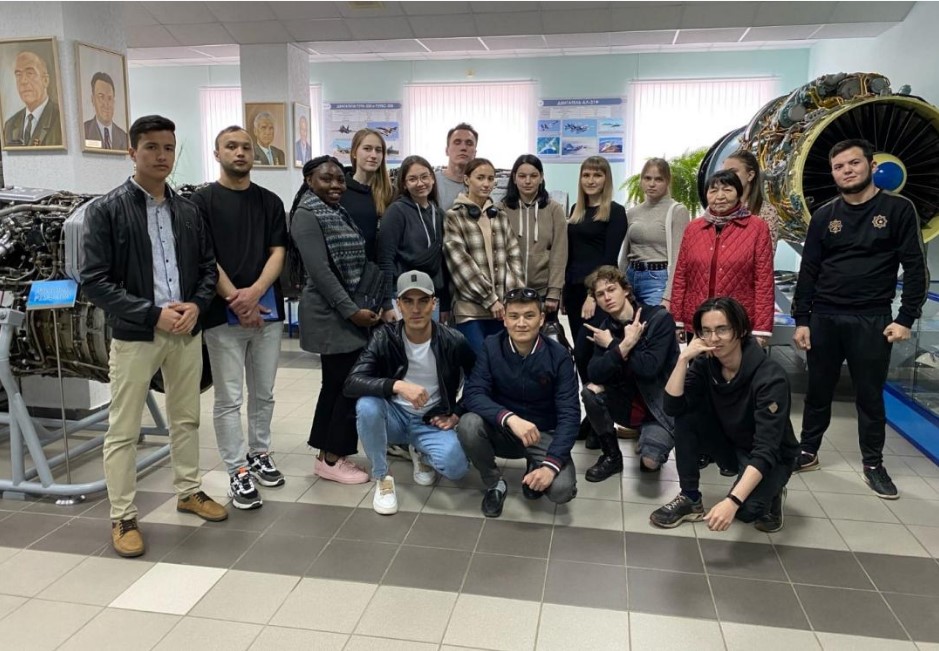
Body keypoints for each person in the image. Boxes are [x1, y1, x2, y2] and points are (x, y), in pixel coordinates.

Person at [81, 115, 226, 558]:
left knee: (186, 418)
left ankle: (189, 490)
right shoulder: (107, 210)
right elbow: (94, 281)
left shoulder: (188, 210)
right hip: (137, 335)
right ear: (132, 152)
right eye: (151, 147)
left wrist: (196, 305)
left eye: (168, 148)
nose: (162, 156)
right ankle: (123, 515)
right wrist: (151, 314)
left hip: (185, 330)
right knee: (123, 429)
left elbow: (207, 268)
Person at [792, 138, 927, 499]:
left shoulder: (898, 209)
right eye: (839, 166)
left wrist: (906, 318)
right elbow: (809, 271)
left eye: (853, 163)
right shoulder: (825, 215)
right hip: (824, 316)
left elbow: (915, 267)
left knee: (869, 396)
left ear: (871, 165)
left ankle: (873, 464)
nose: (847, 171)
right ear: (833, 173)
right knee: (817, 391)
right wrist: (802, 319)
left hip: (872, 318)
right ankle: (807, 451)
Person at [190, 125, 287, 511]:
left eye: (246, 147)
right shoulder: (200, 203)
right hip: (221, 314)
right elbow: (205, 257)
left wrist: (255, 293)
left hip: (268, 312)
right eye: (231, 146)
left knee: (263, 392)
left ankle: (259, 453)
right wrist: (235, 298)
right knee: (229, 397)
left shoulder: (270, 201)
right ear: (217, 154)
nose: (240, 152)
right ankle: (237, 469)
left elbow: (278, 252)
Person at [649, 297, 798, 533]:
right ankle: (690, 498)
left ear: (741, 330)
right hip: (730, 441)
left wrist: (732, 501)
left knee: (747, 512)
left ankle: (774, 491)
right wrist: (683, 359)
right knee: (686, 414)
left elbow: (766, 449)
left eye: (722, 329)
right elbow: (672, 407)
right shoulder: (705, 363)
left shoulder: (770, 378)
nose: (714, 338)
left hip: (770, 454)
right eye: (706, 331)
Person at [345, 270, 476, 514]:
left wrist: (457, 412)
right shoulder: (385, 336)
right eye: (408, 301)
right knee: (367, 405)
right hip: (394, 416)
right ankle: (382, 477)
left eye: (423, 301)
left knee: (457, 468)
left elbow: (479, 381)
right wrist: (397, 385)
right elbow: (352, 381)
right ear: (399, 304)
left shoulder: (453, 340)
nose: (416, 309)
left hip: (431, 420)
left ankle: (419, 450)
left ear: (434, 304)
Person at [290, 155, 380, 484]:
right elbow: (321, 272)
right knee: (345, 385)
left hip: (345, 309)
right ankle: (332, 457)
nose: (335, 185)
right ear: (309, 181)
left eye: (339, 179)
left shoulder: (336, 212)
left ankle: (327, 455)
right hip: (329, 313)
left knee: (336, 385)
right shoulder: (306, 214)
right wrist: (351, 312)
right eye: (326, 179)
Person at [459, 287, 579, 517]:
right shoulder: (491, 346)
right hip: (504, 429)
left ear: (541, 319)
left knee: (561, 490)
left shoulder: (559, 355)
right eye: (514, 316)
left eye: (529, 316)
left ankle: (536, 465)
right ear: (504, 319)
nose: (521, 323)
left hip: (542, 433)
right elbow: (473, 393)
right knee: (468, 424)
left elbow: (570, 414)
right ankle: (495, 483)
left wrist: (551, 465)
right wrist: (509, 418)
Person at [581, 266, 679, 482]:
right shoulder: (605, 328)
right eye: (600, 294)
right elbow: (594, 373)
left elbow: (649, 368)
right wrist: (622, 346)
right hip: (625, 404)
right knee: (589, 391)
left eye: (611, 289)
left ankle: (648, 438)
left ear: (625, 290)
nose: (607, 297)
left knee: (650, 463)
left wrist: (613, 345)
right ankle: (612, 456)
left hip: (657, 409)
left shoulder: (658, 319)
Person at [670, 169, 775, 345]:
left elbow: (764, 281)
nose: (720, 196)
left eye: (727, 190)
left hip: (736, 321)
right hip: (698, 321)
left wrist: (762, 330)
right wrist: (677, 320)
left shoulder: (757, 228)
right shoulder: (693, 229)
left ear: (738, 193)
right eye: (713, 190)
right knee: (698, 363)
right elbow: (681, 276)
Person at [443, 157, 524, 354]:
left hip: (501, 310)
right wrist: (490, 299)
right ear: (467, 179)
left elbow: (514, 259)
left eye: (490, 178)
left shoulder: (500, 216)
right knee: (478, 364)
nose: (486, 183)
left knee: (501, 365)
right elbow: (460, 264)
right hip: (470, 311)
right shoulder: (454, 216)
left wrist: (513, 299)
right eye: (480, 178)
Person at [563, 155, 628, 382]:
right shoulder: (576, 210)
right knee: (579, 353)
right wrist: (563, 291)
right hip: (573, 291)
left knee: (588, 349)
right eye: (586, 175)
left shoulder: (615, 211)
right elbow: (570, 254)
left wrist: (594, 294)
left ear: (606, 179)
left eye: (597, 175)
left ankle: (600, 396)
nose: (591, 180)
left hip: (598, 293)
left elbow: (609, 259)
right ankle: (589, 397)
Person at [377, 154, 449, 323]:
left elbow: (443, 263)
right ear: (404, 184)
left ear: (432, 178)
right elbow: (385, 259)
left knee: (429, 341)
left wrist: (445, 303)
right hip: (403, 296)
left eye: (424, 177)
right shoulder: (396, 212)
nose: (420, 183)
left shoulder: (439, 214)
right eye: (412, 179)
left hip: (432, 297)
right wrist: (386, 303)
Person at [502, 154, 568, 321]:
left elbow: (559, 253)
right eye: (522, 176)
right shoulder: (502, 209)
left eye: (533, 176)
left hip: (543, 292)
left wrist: (554, 291)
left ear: (541, 177)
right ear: (514, 178)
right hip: (510, 291)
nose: (528, 181)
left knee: (544, 336)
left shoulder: (554, 209)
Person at [620, 158, 690, 307]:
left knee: (654, 320)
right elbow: (625, 255)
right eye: (647, 178)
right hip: (630, 277)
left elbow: (679, 259)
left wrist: (668, 296)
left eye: (658, 179)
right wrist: (620, 285)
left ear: (667, 181)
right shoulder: (632, 212)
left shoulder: (677, 211)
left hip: (658, 279)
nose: (652, 184)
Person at [340, 128, 395, 266]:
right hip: (347, 269)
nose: (373, 155)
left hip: (380, 271)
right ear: (354, 153)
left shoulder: (391, 193)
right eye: (367, 149)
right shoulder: (340, 191)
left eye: (378, 150)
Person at [722, 150, 782, 250]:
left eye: (733, 172)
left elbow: (766, 254)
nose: (727, 177)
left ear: (750, 175)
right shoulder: (717, 208)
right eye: (725, 173)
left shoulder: (766, 212)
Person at [2, 50, 63, 147]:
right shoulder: (10, 125)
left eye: (30, 73)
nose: (23, 81)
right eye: (18, 75)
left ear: (45, 81)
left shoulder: (61, 119)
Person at [435, 123, 478, 210]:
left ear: (475, 153)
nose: (463, 148)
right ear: (447, 151)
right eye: (457, 142)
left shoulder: (480, 185)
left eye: (469, 143)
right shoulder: (432, 182)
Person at [82, 71, 128, 150]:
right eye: (101, 97)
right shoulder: (83, 132)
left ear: (114, 101)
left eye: (109, 98)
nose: (106, 104)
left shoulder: (124, 137)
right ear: (93, 99)